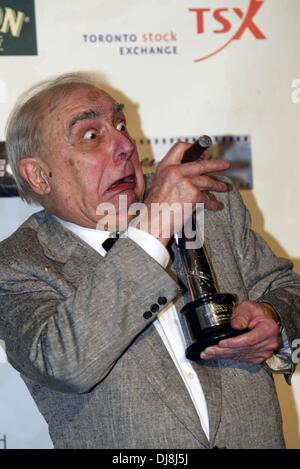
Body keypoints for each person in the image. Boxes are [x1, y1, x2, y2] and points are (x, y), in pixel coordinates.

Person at [0, 73, 299, 449]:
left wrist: (275, 319)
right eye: (92, 135)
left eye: (120, 125)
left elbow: (288, 290)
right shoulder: (15, 264)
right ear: (39, 176)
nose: (125, 144)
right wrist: (154, 226)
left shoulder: (209, 208)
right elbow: (65, 363)